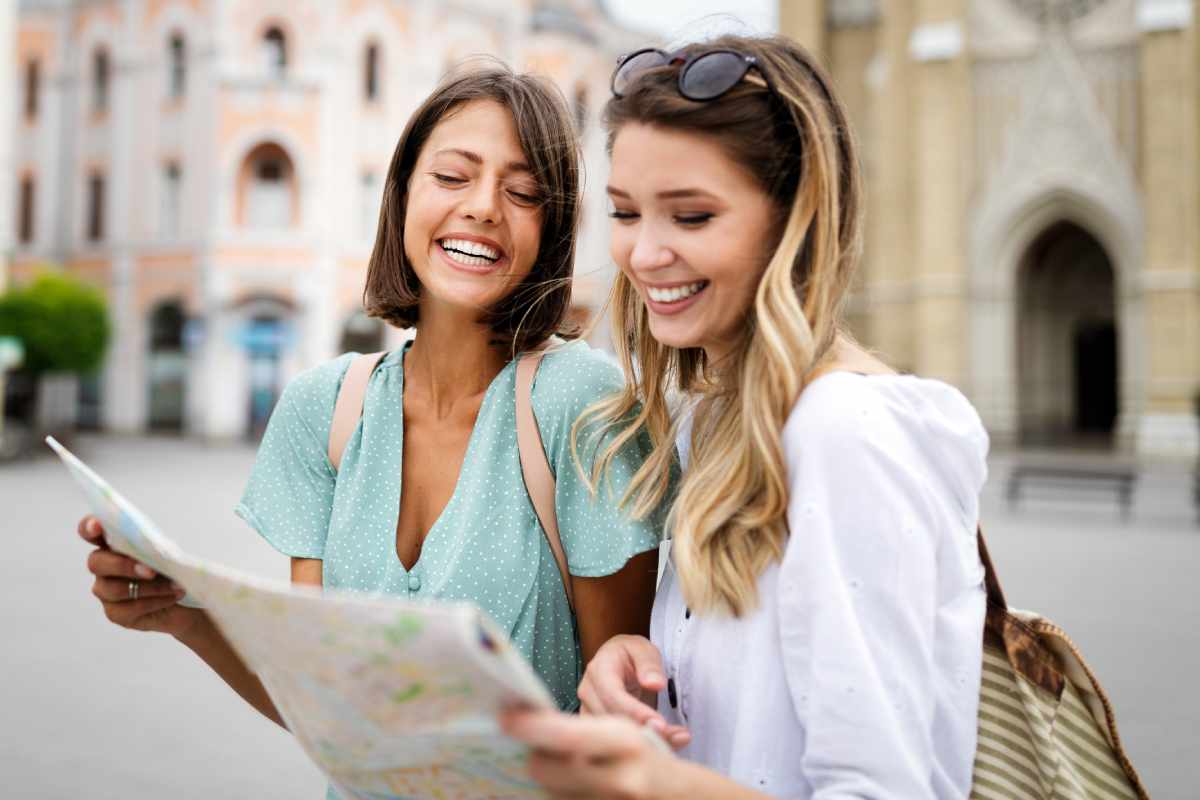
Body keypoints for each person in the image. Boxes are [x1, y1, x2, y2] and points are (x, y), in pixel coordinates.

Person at [78, 65, 666, 748]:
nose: (482, 206)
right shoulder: (321, 409)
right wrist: (179, 612)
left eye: (524, 191)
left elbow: (625, 718)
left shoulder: (583, 406)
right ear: (402, 195)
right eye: (452, 176)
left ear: (552, 228)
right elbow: (328, 702)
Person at [503, 35, 990, 799]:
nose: (645, 253)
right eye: (626, 212)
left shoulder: (842, 432)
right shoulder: (716, 419)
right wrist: (642, 666)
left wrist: (651, 783)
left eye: (692, 217)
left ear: (793, 219)